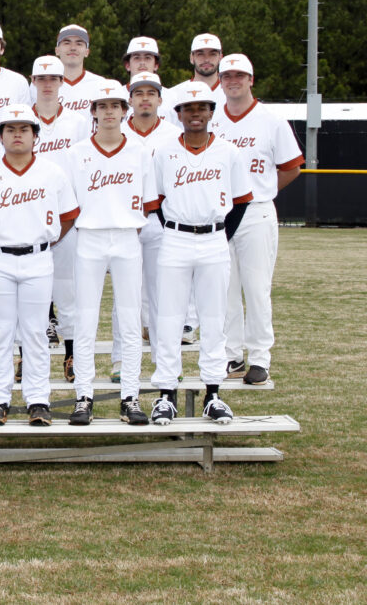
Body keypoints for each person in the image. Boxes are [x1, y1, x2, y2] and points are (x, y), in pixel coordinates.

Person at [0, 104, 79, 426]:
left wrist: (45, 240)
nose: (17, 134)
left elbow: (68, 216)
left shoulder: (53, 173)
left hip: (38, 259)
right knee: (0, 332)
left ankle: (38, 399)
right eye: (10, 129)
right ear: (0, 136)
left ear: (35, 136)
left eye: (24, 129)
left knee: (35, 332)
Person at [148, 82, 253, 425]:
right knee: (169, 320)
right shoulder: (164, 152)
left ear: (212, 111)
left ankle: (213, 394)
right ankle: (166, 394)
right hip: (175, 239)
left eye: (202, 108)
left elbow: (241, 202)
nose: (195, 114)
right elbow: (158, 202)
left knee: (213, 319)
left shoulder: (227, 151)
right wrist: (176, 229)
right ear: (177, 114)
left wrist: (222, 237)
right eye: (188, 109)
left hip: (213, 240)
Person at [65, 80, 156, 425]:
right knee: (85, 321)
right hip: (88, 237)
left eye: (115, 106)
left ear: (124, 110)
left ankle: (130, 396)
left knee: (131, 322)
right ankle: (83, 396)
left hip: (126, 237)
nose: (108, 112)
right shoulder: (76, 153)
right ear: (93, 112)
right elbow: (69, 204)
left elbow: (148, 203)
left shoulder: (140, 151)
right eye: (102, 106)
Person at [211, 53, 304, 385]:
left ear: (251, 79)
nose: (233, 81)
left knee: (256, 287)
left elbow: (292, 166)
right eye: (227, 76)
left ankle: (260, 357)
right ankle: (232, 355)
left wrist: (263, 189)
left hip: (255, 211)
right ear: (220, 82)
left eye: (239, 75)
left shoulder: (271, 120)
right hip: (220, 213)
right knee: (225, 287)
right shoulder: (211, 119)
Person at [110, 72, 182, 384]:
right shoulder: (116, 131)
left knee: (162, 296)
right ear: (130, 101)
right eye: (138, 93)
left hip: (158, 221)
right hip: (124, 223)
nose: (145, 98)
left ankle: (165, 363)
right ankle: (120, 362)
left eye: (151, 93)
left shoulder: (172, 133)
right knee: (124, 297)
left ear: (160, 100)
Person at [31, 55, 90, 379]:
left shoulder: (78, 122)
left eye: (53, 78)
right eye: (42, 79)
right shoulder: (21, 117)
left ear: (62, 83)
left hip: (67, 218)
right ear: (33, 82)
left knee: (67, 295)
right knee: (29, 296)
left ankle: (71, 356)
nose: (48, 84)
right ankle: (27, 355)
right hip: (28, 217)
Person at [43, 24, 103, 113]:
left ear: (87, 52)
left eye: (79, 43)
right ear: (57, 50)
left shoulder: (101, 85)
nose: (73, 48)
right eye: (67, 43)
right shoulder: (41, 85)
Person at [164, 33, 227, 114]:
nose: (207, 59)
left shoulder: (231, 93)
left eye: (212, 54)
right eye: (200, 54)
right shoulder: (174, 94)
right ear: (191, 58)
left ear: (220, 57)